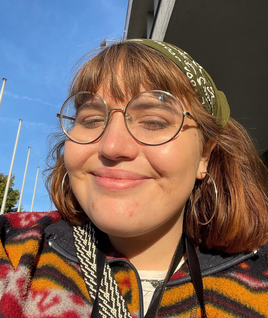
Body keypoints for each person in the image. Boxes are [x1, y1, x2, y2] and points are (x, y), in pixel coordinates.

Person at [0, 39, 268, 318]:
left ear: (204, 154)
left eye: (154, 122)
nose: (112, 147)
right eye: (91, 120)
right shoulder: (15, 252)